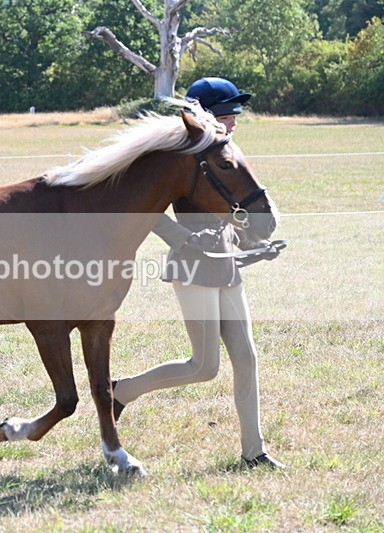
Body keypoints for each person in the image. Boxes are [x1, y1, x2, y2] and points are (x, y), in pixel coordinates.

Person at [111, 77, 286, 469]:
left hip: (226, 267)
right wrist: (184, 240)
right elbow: (147, 209)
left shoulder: (222, 155)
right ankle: (120, 392)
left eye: (235, 115)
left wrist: (254, 245)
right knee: (203, 367)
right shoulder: (180, 159)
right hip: (192, 268)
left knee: (247, 358)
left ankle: (254, 452)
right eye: (227, 115)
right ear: (203, 117)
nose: (235, 122)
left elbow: (229, 214)